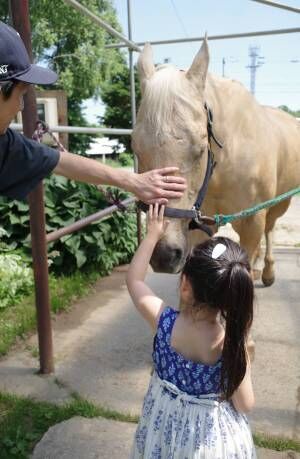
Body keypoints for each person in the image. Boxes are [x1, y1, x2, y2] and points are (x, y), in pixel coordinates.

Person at [0, 21, 186, 203]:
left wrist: (134, 181)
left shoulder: (5, 143)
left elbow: (60, 161)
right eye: (21, 94)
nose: (21, 106)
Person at [126, 203, 256, 458]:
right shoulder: (230, 343)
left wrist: (153, 234)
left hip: (162, 431)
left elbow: (134, 280)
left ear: (185, 285)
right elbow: (244, 403)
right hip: (211, 444)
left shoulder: (164, 321)